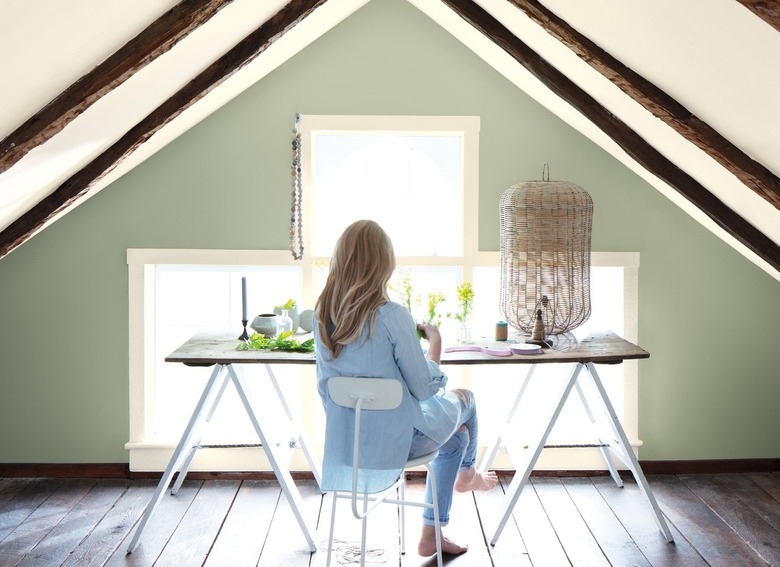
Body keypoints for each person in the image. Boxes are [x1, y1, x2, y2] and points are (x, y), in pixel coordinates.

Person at [314, 219, 498, 557]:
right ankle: (468, 475)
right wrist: (436, 341)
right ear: (383, 263)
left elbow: (326, 391)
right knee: (467, 400)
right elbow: (426, 388)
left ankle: (434, 531)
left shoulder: (322, 317)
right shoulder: (392, 316)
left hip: (349, 443)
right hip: (397, 444)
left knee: (457, 439)